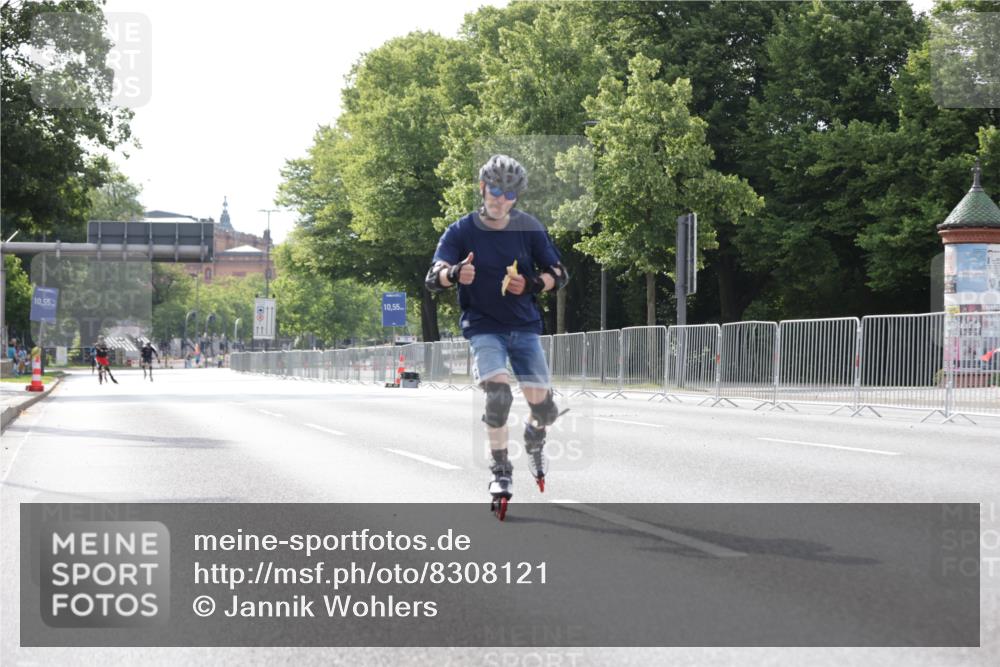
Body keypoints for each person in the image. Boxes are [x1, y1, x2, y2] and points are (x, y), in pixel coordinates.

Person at [425, 154, 569, 519]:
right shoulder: (461, 231)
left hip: (524, 327)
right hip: (484, 326)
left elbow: (559, 272)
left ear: (516, 196)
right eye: (494, 190)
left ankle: (535, 438)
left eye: (508, 193)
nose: (500, 199)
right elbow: (433, 276)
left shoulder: (529, 227)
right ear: (482, 188)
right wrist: (455, 273)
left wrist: (534, 282)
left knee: (545, 409)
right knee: (499, 396)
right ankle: (501, 471)